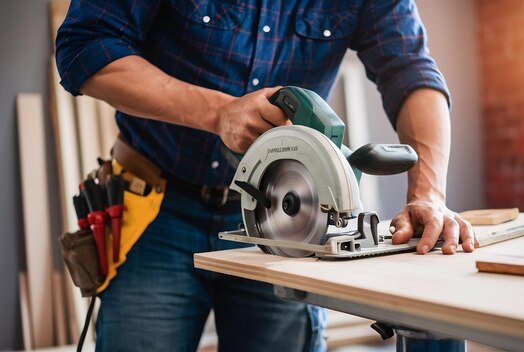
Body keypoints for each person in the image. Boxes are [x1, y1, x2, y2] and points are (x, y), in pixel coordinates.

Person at [56, 0, 477, 351]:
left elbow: (411, 71)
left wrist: (428, 193)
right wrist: (216, 112)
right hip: (156, 206)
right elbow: (84, 45)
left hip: (285, 226)